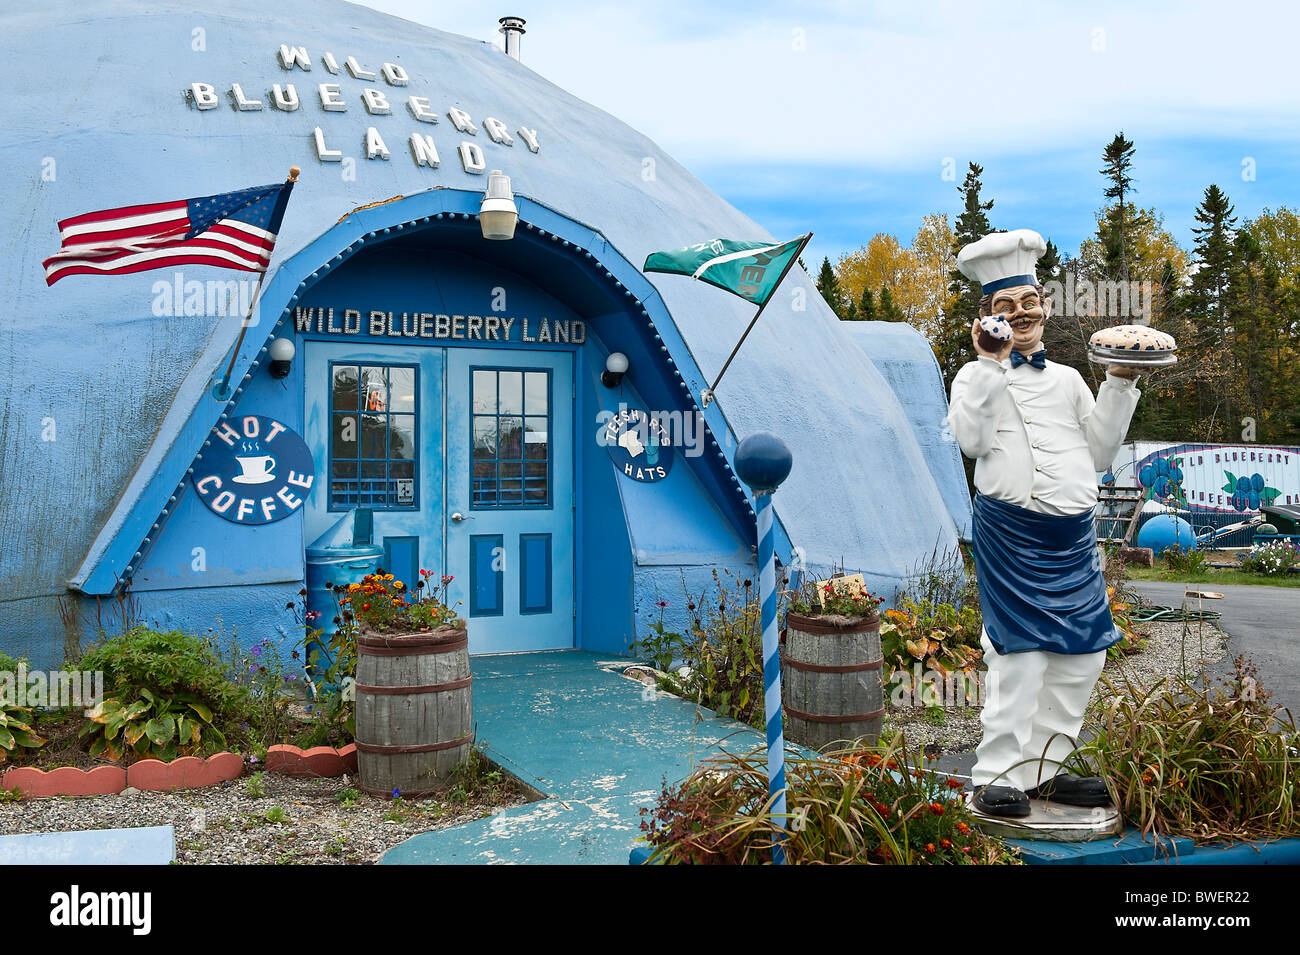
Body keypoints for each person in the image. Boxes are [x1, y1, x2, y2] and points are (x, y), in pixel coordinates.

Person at [946, 229, 1142, 818]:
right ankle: (997, 775)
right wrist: (988, 364)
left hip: (1072, 536)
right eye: (1006, 308)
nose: (1021, 316)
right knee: (1020, 655)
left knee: (1082, 655)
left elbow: (1100, 451)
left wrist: (1119, 382)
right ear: (987, 317)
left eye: (1029, 303)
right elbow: (971, 440)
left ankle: (1043, 771)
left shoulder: (1066, 380)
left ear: (1047, 308)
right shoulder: (973, 376)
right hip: (1012, 532)